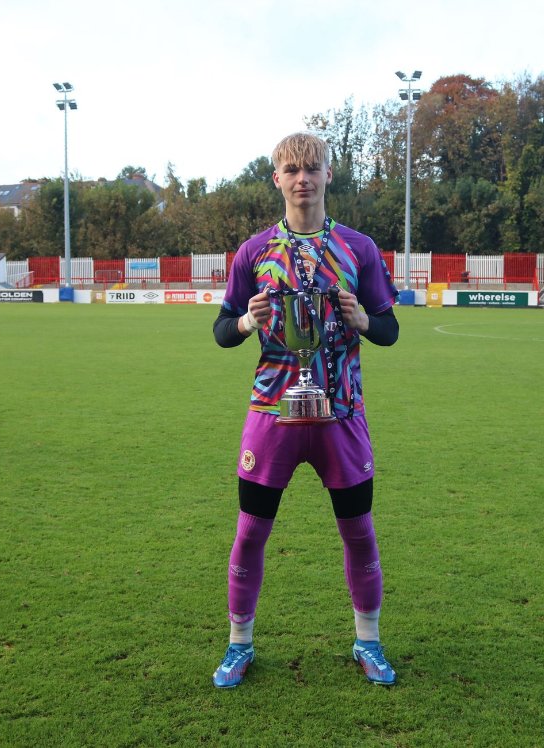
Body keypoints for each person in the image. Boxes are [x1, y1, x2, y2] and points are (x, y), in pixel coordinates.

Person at [211, 132, 400, 689]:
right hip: (273, 413)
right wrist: (248, 321)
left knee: (359, 531)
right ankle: (238, 644)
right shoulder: (254, 252)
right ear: (277, 178)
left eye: (311, 168)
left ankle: (368, 640)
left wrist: (363, 320)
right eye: (292, 170)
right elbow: (222, 331)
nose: (302, 179)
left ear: (327, 175)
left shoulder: (358, 249)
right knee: (250, 533)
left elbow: (388, 328)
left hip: (341, 412)